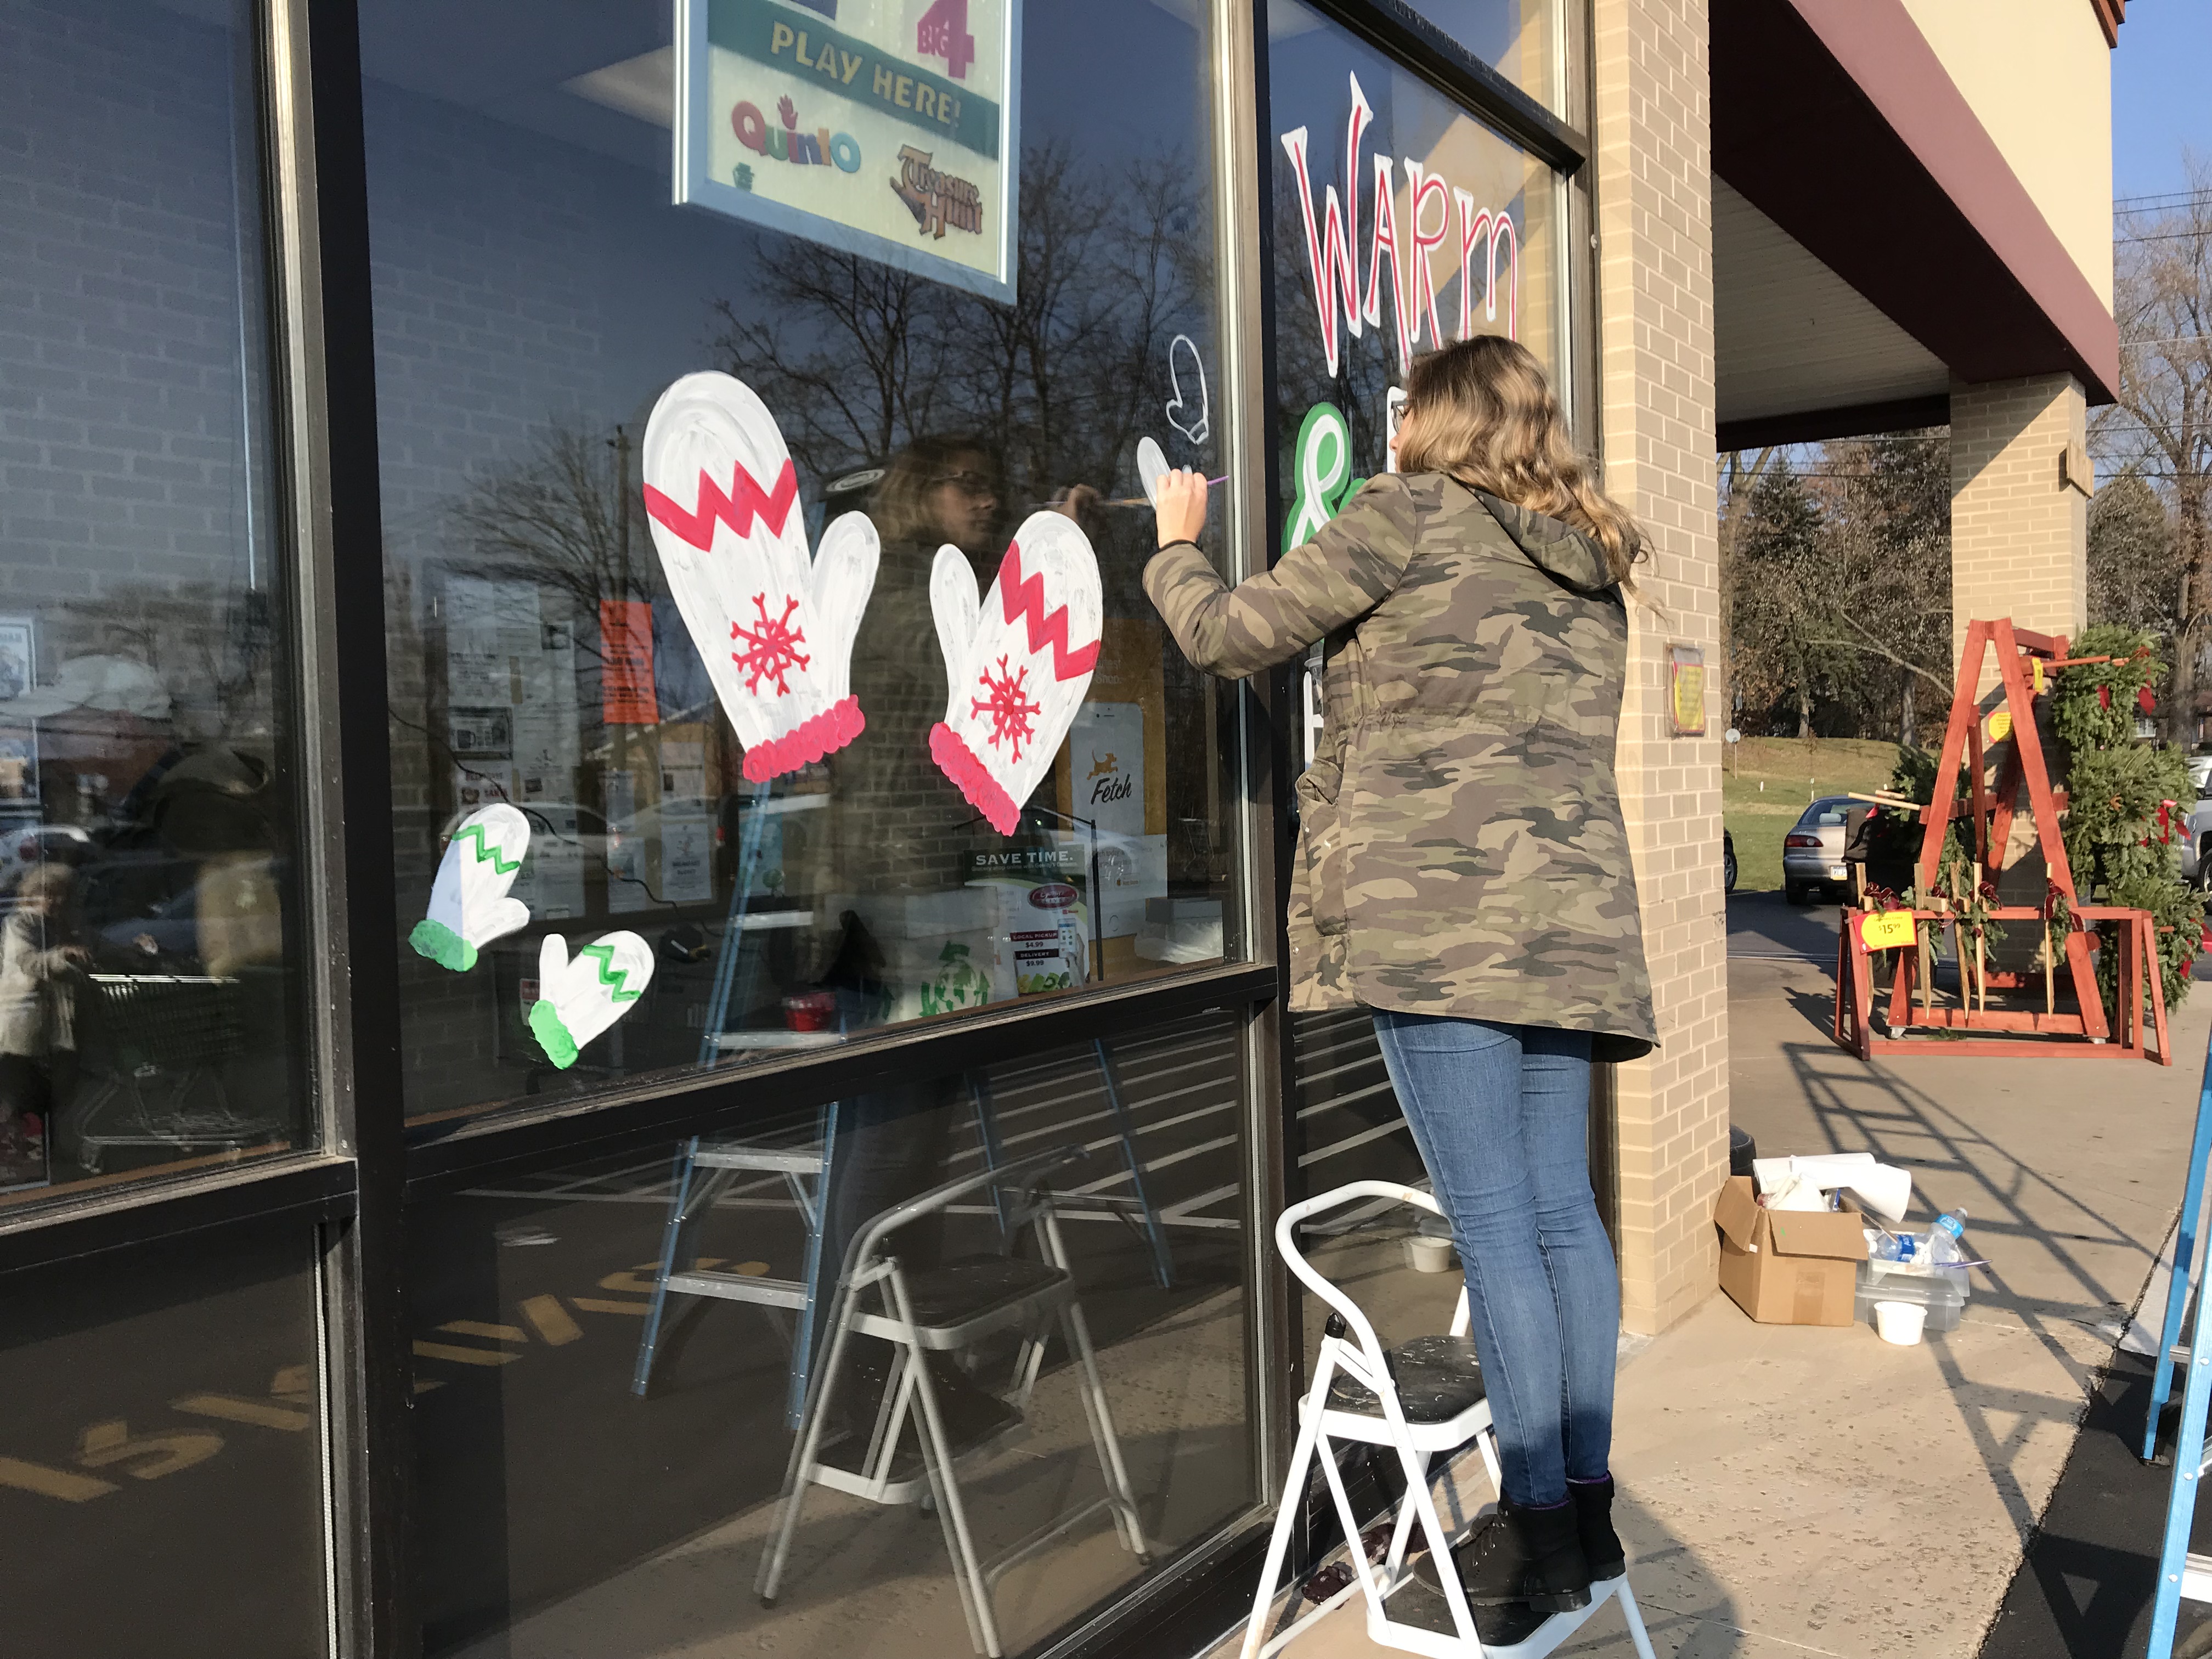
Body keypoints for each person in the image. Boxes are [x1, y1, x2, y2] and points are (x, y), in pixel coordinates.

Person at [1144, 335, 1656, 1615]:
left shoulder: (1407, 516)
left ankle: (1532, 1529)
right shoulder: (1595, 565)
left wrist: (1173, 538)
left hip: (1442, 923)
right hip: (1577, 922)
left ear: (1437, 423)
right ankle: (1585, 1517)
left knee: (1495, 1226)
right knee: (1561, 1218)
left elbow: (1227, 633)